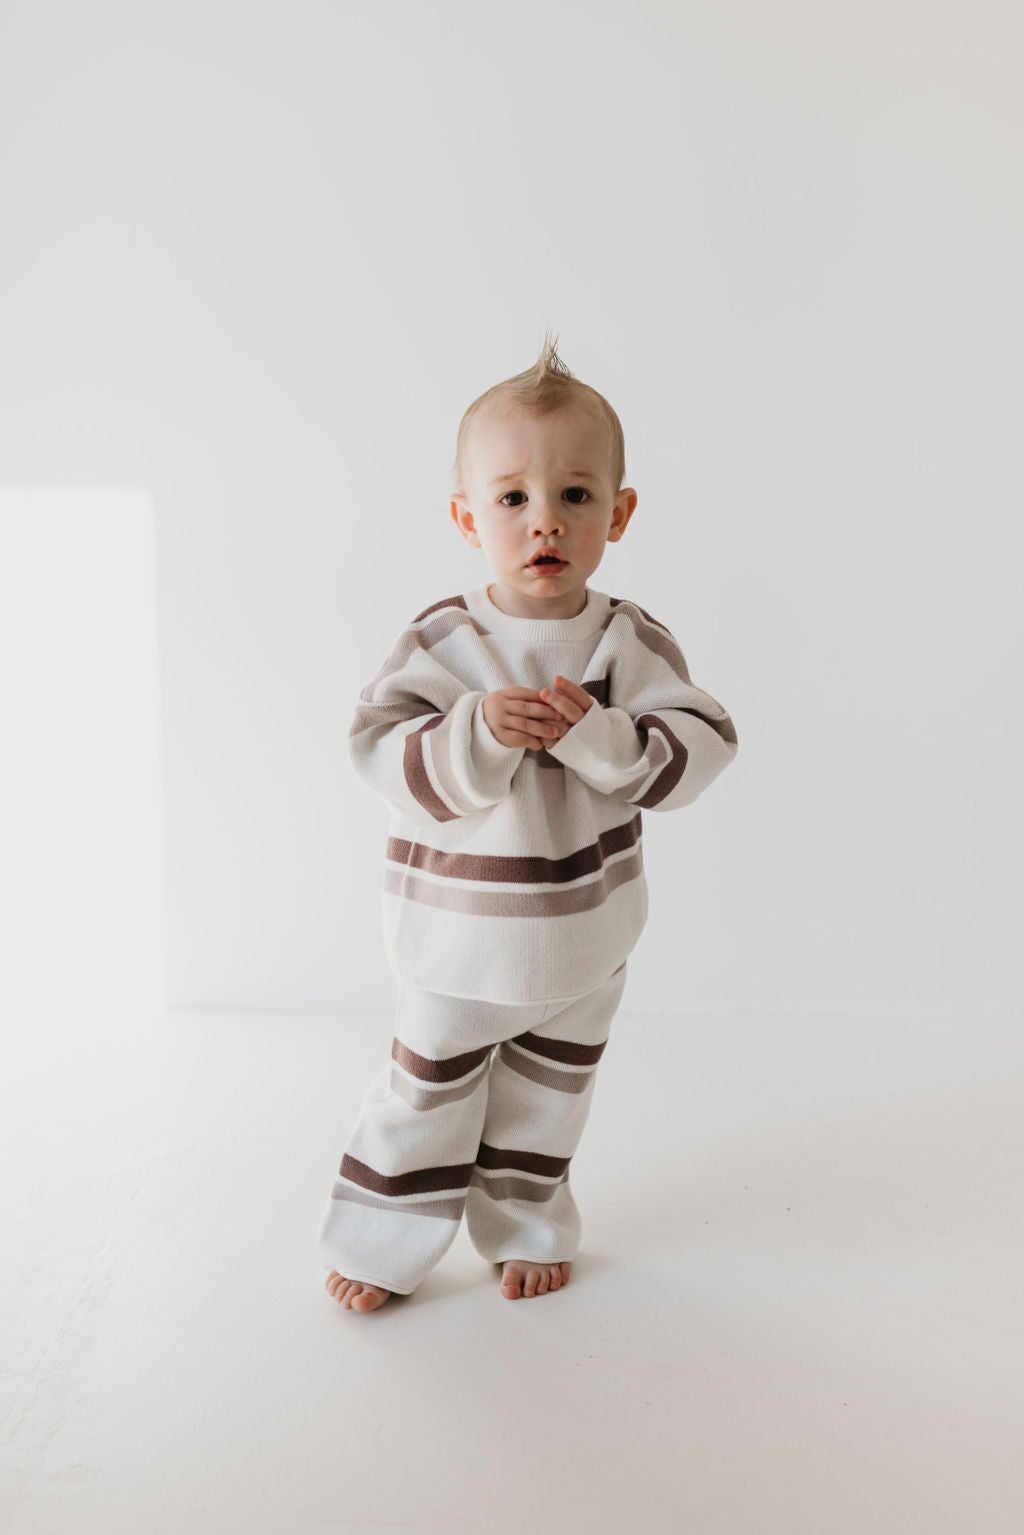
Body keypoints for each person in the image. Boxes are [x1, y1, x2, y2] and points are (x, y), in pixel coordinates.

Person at [318, 333, 739, 1311]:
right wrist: (471, 730)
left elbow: (700, 744)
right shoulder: (445, 639)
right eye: (511, 498)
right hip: (455, 945)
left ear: (618, 513)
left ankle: (528, 1221)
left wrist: (600, 737)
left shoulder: (625, 641)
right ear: (469, 517)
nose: (543, 520)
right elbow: (376, 745)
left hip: (581, 946)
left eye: (575, 496)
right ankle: (380, 1238)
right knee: (424, 1096)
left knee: (546, 1105)